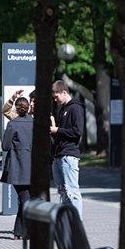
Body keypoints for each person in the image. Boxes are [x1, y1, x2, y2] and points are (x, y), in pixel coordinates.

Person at [50, 80, 85, 219]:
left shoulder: (75, 108)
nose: (55, 99)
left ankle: (77, 222)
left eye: (56, 96)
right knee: (63, 191)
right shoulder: (63, 108)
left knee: (72, 191)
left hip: (69, 155)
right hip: (59, 154)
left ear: (64, 92)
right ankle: (68, 220)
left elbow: (77, 132)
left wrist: (57, 129)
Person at [2, 97, 33, 239]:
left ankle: (21, 232)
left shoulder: (12, 124)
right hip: (33, 167)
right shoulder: (35, 123)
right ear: (28, 108)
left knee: (24, 199)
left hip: (16, 167)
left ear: (16, 108)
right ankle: (21, 232)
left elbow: (5, 146)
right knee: (26, 199)